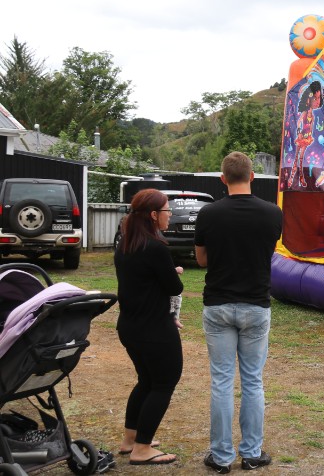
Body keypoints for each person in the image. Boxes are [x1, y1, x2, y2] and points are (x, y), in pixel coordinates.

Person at [195, 152, 283, 474]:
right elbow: (266, 253)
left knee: (221, 382)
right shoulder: (273, 214)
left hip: (218, 305)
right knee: (252, 381)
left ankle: (221, 458)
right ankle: (251, 453)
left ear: (222, 178)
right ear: (253, 177)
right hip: (256, 306)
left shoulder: (208, 214)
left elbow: (202, 260)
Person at [114, 188, 183, 466]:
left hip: (130, 327)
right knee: (164, 383)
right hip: (155, 330)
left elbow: (143, 283)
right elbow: (173, 287)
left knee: (146, 381)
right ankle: (142, 448)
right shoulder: (155, 248)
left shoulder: (126, 245)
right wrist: (173, 271)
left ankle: (131, 439)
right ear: (154, 215)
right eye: (167, 211)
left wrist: (166, 272)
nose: (170, 215)